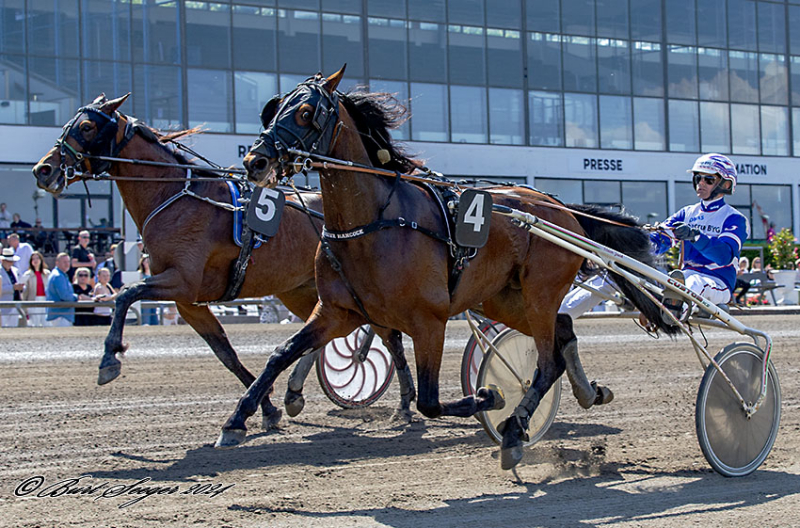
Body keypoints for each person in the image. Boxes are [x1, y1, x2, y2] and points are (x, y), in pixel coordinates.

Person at [651, 153, 749, 321]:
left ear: (725, 184)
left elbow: (723, 256)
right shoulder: (686, 213)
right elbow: (658, 242)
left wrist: (695, 236)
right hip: (685, 278)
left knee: (695, 282)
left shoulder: (735, 219)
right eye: (698, 178)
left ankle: (669, 316)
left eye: (708, 180)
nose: (701, 183)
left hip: (717, 283)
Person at [46, 252, 78, 327]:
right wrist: (76, 297)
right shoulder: (58, 276)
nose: (67, 264)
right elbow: (65, 296)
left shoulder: (61, 275)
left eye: (68, 262)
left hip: (61, 315)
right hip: (60, 316)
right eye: (64, 262)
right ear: (57, 263)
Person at [22, 251, 51, 327]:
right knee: (35, 323)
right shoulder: (27, 274)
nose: (35, 260)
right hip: (33, 299)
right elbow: (25, 292)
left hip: (45, 300)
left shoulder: (47, 273)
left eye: (37, 258)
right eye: (33, 259)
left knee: (46, 323)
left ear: (41, 260)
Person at [0, 247, 24, 327]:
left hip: (15, 304)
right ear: (3, 261)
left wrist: (21, 288)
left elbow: (21, 282)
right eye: (8, 261)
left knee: (14, 327)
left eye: (11, 261)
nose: (10, 263)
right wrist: (12, 288)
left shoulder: (15, 270)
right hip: (3, 306)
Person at [138, 254, 158, 325]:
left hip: (154, 298)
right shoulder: (140, 275)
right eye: (146, 262)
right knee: (146, 320)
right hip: (145, 299)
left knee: (155, 320)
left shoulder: (154, 274)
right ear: (142, 263)